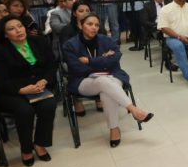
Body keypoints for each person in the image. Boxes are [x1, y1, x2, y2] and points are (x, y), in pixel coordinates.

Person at [63, 13, 153, 147]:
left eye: (96, 25)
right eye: (89, 24)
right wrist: (103, 59)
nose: (94, 27)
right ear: (80, 26)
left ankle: (114, 130)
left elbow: (116, 57)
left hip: (113, 75)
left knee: (106, 90)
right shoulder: (70, 45)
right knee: (102, 81)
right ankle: (134, 110)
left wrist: (90, 61)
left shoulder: (105, 39)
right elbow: (77, 68)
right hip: (84, 81)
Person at [0, 15, 57, 167]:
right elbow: (1, 80)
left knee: (49, 104)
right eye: (11, 29)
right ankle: (26, 149)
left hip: (38, 87)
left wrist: (45, 80)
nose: (18, 30)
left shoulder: (39, 41)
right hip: (12, 92)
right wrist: (21, 90)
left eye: (20, 26)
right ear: (5, 34)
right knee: (24, 110)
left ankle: (40, 144)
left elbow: (52, 65)